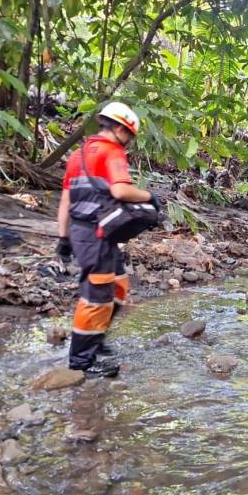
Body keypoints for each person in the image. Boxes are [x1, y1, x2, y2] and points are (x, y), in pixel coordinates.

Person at [55, 101, 160, 378]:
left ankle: (96, 338)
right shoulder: (112, 151)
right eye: (129, 136)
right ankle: (81, 362)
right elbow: (121, 191)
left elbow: (66, 199)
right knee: (97, 296)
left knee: (118, 285)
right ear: (119, 129)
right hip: (95, 234)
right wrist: (150, 197)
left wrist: (63, 238)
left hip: (85, 232)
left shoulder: (78, 154)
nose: (129, 143)